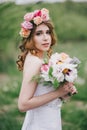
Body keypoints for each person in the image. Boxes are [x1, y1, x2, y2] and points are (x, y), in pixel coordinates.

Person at [16, 8, 77, 130]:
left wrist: (64, 90)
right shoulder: (35, 62)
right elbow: (23, 104)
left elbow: (41, 93)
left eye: (47, 32)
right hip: (42, 124)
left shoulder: (34, 58)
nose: (46, 38)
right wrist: (58, 92)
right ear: (30, 38)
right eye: (38, 34)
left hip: (48, 119)